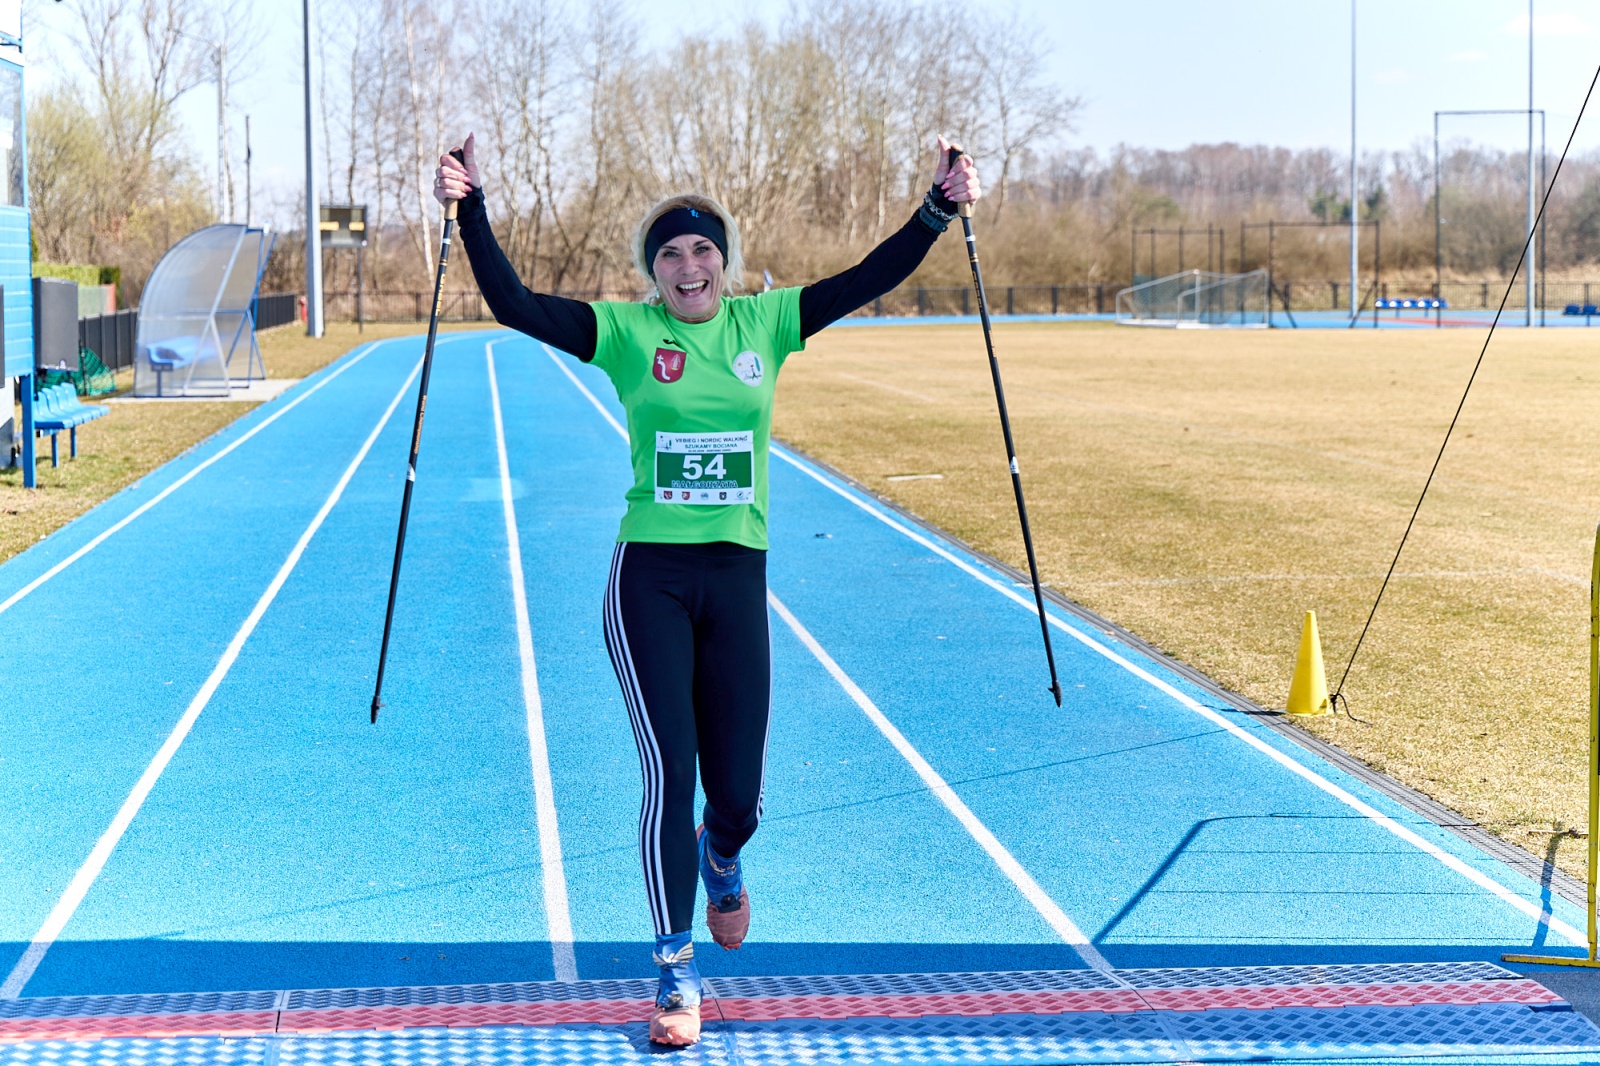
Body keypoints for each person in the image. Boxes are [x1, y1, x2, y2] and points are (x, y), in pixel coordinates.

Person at [434, 132, 981, 1046]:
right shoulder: (626, 332)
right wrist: (473, 204)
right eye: (670, 255)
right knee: (669, 773)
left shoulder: (765, 325)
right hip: (650, 575)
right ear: (654, 275)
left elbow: (867, 276)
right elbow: (513, 303)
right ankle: (673, 976)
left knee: (737, 795)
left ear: (721, 262)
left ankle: (723, 858)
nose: (687, 266)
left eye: (701, 250)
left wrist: (937, 207)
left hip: (736, 575)